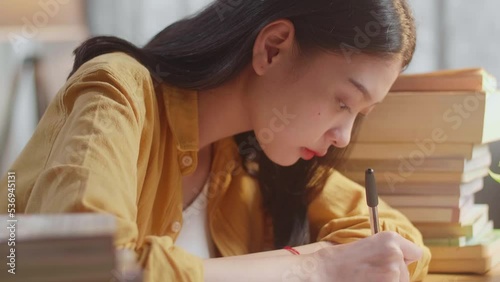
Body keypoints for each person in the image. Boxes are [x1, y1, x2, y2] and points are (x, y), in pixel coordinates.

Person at [0, 0, 431, 281]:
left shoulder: (250, 157)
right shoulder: (118, 89)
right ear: (274, 48)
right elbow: (75, 266)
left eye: (360, 115)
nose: (343, 137)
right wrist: (314, 267)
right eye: (343, 101)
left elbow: (397, 240)